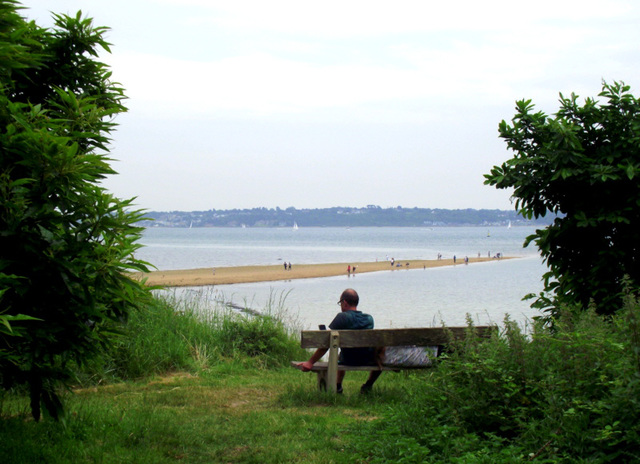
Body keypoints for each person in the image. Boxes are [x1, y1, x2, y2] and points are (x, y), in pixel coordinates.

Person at [297, 288, 382, 394]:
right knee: (346, 353)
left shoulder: (342, 317)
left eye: (340, 303)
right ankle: (367, 386)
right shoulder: (369, 319)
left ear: (344, 302)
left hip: (349, 359)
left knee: (341, 354)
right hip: (368, 359)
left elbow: (328, 343)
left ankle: (338, 387)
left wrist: (310, 362)